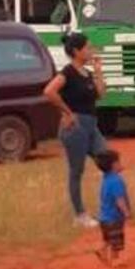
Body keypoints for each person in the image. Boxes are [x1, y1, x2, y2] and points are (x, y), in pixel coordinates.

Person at [44, 32, 107, 227]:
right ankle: (79, 215)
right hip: (76, 126)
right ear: (76, 51)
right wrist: (67, 112)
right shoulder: (68, 72)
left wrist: (98, 71)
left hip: (91, 125)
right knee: (76, 171)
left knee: (107, 159)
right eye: (87, 48)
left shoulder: (86, 73)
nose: (90, 51)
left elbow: (101, 95)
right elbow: (49, 91)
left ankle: (108, 208)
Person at [95, 150, 130, 266]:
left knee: (108, 238)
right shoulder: (116, 181)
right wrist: (126, 212)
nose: (121, 164)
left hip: (104, 218)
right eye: (118, 162)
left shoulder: (106, 179)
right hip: (114, 218)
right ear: (114, 165)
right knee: (116, 240)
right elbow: (119, 199)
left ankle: (102, 251)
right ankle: (115, 260)